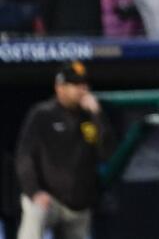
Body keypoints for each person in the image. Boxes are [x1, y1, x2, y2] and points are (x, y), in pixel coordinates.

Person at [15, 61, 115, 239]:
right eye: (75, 84)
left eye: (84, 84)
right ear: (60, 88)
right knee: (34, 213)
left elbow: (106, 153)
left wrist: (97, 114)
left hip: (79, 205)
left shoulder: (91, 115)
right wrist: (34, 191)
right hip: (48, 199)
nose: (82, 89)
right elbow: (25, 157)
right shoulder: (42, 114)